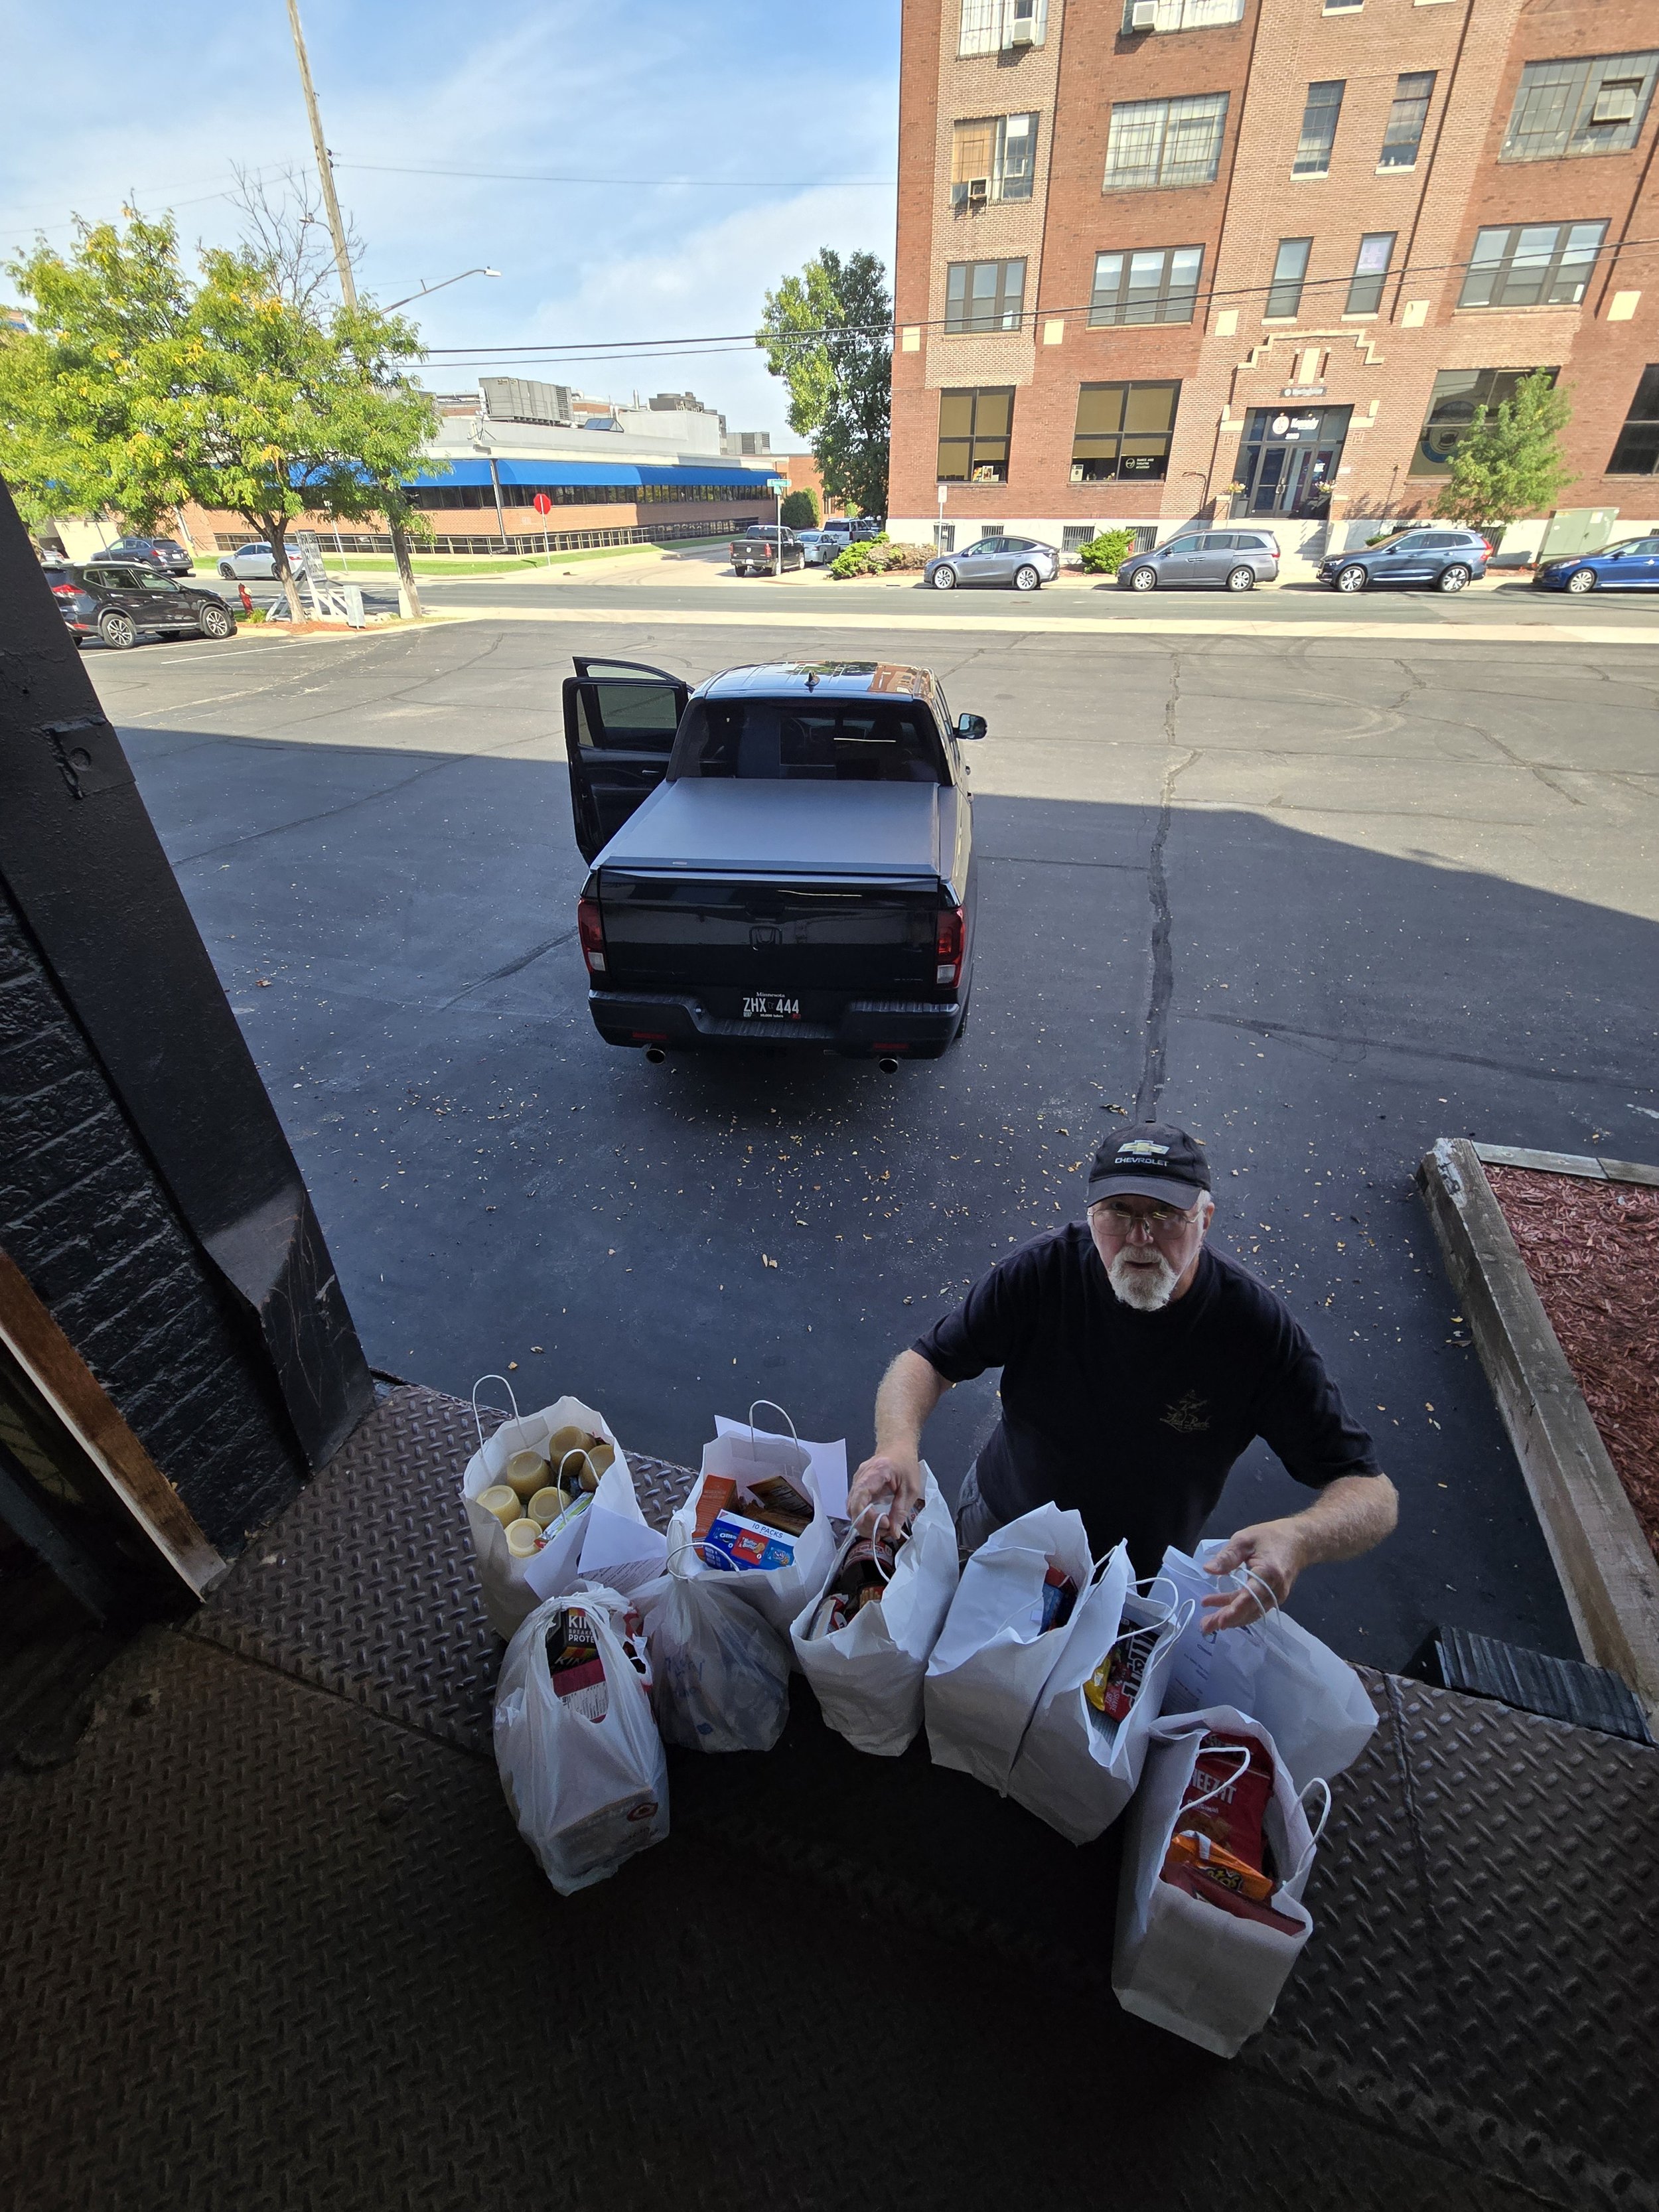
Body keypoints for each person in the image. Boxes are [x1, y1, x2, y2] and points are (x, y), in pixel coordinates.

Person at [845, 1122, 1397, 1632]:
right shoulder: (1044, 1273)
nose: (1140, 1236)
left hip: (1134, 1579)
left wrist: (1300, 1538)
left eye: (1164, 1214)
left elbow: (1371, 1491)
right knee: (949, 1654)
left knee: (1071, 1715)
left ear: (1204, 1220)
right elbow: (928, 1362)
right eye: (1119, 1211)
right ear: (1092, 1214)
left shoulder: (1253, 1329)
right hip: (999, 1524)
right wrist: (896, 1445)